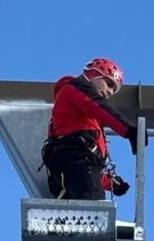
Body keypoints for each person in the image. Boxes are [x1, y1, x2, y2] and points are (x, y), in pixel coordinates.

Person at [42, 58, 146, 200]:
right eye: (109, 83)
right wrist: (129, 130)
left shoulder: (77, 119)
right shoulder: (75, 88)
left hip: (71, 171)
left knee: (90, 209)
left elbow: (83, 172)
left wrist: (110, 183)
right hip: (76, 163)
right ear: (93, 75)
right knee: (95, 209)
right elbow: (95, 105)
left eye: (113, 89)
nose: (110, 91)